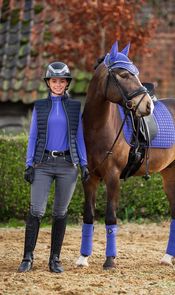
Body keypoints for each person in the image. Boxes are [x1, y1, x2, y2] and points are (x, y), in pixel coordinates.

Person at [17, 61, 89, 273]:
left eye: (62, 81)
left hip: (68, 165)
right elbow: (32, 137)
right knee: (37, 210)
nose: (58, 84)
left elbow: (79, 138)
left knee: (60, 212)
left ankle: (54, 259)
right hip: (43, 164)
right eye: (54, 80)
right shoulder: (40, 106)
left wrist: (84, 164)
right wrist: (29, 164)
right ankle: (27, 257)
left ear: (67, 83)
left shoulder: (75, 107)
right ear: (48, 83)